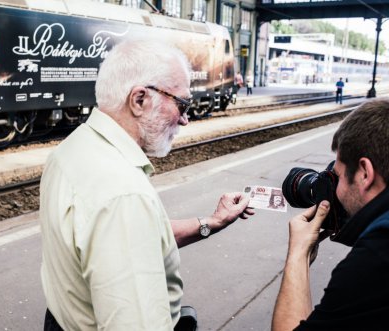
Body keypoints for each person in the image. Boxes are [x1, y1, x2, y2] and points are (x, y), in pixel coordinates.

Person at [39, 40, 254, 331]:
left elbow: (139, 236)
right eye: (182, 104)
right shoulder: (124, 195)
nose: (186, 119)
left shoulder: (72, 150)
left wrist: (212, 222)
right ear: (139, 100)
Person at [272, 98, 389, 330]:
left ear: (365, 173)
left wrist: (298, 253)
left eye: (339, 175)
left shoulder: (376, 257)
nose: (336, 188)